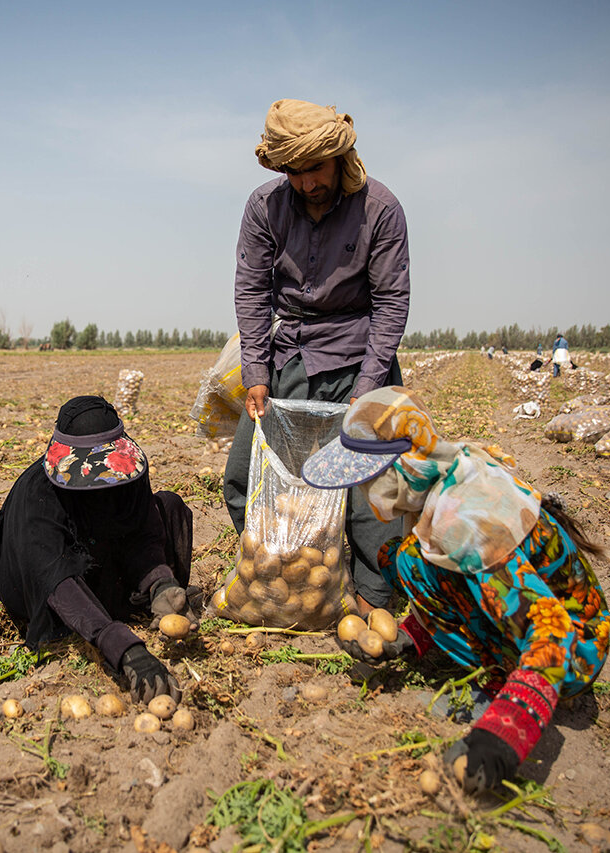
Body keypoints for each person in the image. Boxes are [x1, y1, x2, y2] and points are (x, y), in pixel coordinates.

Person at [302, 387, 610, 793]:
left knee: (408, 561)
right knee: (405, 557)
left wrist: (504, 734)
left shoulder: (467, 522)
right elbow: (460, 586)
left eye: (370, 478)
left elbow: (552, 635)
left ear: (404, 466)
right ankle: (485, 661)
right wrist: (410, 638)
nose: (362, 491)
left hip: (573, 651)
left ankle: (503, 689)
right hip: (533, 617)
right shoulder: (446, 474)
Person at [224, 98, 410, 616]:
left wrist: (370, 385)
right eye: (294, 172)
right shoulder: (265, 206)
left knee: (370, 497)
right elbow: (252, 291)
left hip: (360, 358)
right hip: (292, 360)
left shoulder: (380, 208)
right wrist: (257, 372)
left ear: (339, 156)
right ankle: (285, 579)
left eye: (315, 169)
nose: (306, 183)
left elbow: (392, 302)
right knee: (246, 475)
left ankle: (374, 602)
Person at [0, 396, 197, 703]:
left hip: (97, 554)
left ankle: (154, 600)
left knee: (168, 505)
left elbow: (141, 529)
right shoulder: (38, 498)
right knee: (65, 597)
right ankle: (99, 620)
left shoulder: (127, 470)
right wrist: (124, 648)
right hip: (41, 582)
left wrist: (160, 580)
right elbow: (57, 580)